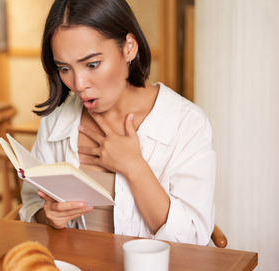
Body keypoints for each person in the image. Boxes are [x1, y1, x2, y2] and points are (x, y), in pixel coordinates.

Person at [18, 0, 216, 246]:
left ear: (129, 48)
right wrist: (48, 216)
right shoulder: (57, 119)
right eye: (64, 68)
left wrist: (134, 167)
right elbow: (31, 206)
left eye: (92, 64)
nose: (78, 84)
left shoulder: (186, 123)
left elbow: (194, 239)